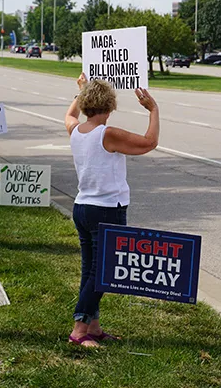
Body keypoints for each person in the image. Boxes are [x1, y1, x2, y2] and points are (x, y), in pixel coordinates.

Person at [64, 73, 159, 347]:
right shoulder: (108, 134)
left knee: (90, 270)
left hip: (82, 207)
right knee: (104, 272)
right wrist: (153, 110)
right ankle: (79, 330)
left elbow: (68, 117)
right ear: (109, 106)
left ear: (85, 104)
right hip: (107, 209)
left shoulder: (76, 131)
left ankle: (92, 326)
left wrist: (79, 92)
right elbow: (149, 142)